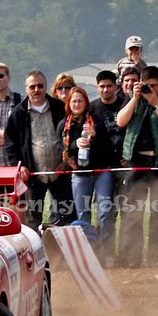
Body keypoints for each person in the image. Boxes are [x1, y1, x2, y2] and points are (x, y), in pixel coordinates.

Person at [116, 64, 158, 267]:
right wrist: (135, 98)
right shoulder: (133, 98)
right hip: (137, 161)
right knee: (132, 211)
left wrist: (156, 103)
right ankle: (130, 258)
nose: (149, 89)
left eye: (153, 86)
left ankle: (157, 258)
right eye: (145, 86)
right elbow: (120, 121)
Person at [3, 70, 71, 227]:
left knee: (67, 214)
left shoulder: (59, 107)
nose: (36, 90)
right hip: (33, 175)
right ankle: (34, 251)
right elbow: (10, 144)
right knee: (33, 218)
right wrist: (19, 166)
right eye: (32, 86)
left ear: (46, 87)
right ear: (26, 89)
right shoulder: (18, 114)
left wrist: (65, 160)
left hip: (59, 172)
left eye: (40, 86)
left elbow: (69, 135)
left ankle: (64, 250)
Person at [61, 86, 117, 245]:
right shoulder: (65, 124)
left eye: (80, 100)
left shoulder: (96, 120)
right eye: (74, 101)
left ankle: (107, 251)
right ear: (69, 103)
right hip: (79, 174)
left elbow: (108, 147)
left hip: (101, 171)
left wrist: (95, 135)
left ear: (86, 103)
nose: (77, 104)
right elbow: (61, 148)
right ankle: (88, 250)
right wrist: (74, 144)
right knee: (83, 215)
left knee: (105, 212)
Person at [88, 71, 127, 253]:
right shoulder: (92, 108)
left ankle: (125, 252)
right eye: (102, 86)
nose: (105, 89)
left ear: (116, 86)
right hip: (102, 166)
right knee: (104, 213)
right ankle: (105, 252)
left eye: (109, 86)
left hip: (125, 164)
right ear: (97, 88)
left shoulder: (124, 104)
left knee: (127, 210)